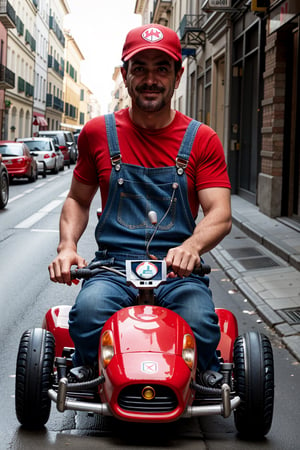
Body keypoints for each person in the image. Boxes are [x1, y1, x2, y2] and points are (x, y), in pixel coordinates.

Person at [48, 24, 232, 378]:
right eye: (141, 68)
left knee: (202, 324)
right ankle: (87, 367)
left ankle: (203, 376)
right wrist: (67, 246)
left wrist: (191, 247)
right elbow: (77, 199)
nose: (151, 79)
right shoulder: (97, 133)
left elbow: (220, 213)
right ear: (126, 74)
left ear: (178, 77)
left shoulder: (203, 139)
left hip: (178, 270)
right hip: (113, 268)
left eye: (162, 69)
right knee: (87, 315)